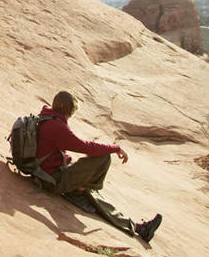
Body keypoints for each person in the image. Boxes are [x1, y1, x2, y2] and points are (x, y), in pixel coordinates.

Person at [36, 90, 162, 242]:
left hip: (45, 174)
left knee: (93, 194)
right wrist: (115, 148)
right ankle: (80, 191)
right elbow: (86, 147)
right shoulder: (58, 127)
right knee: (103, 158)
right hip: (53, 180)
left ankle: (137, 227)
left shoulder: (46, 117)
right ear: (69, 110)